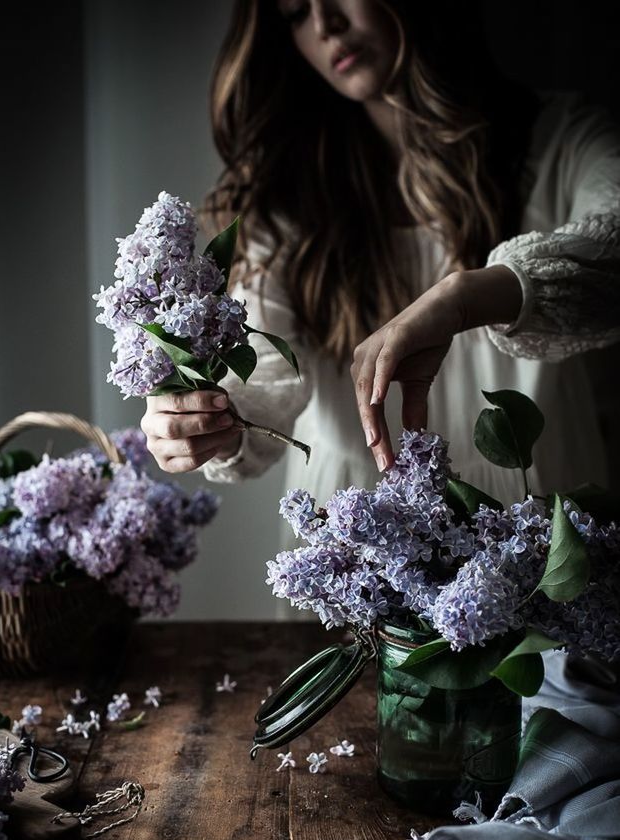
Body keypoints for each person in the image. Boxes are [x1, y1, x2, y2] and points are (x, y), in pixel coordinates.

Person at [141, 0, 620, 509]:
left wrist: (464, 297)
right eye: (296, 13)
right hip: (357, 549)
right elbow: (266, 383)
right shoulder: (288, 199)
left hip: (541, 519)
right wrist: (206, 421)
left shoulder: (563, 143)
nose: (327, 25)